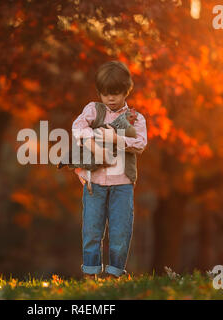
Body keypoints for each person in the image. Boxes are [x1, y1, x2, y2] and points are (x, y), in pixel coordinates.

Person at [71, 61, 148, 280]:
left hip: (122, 183)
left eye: (116, 93)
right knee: (92, 230)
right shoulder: (93, 110)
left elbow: (141, 143)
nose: (110, 99)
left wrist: (116, 138)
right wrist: (94, 142)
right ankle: (90, 274)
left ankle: (115, 274)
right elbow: (77, 128)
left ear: (126, 91)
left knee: (120, 232)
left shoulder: (136, 118)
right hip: (94, 182)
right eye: (105, 94)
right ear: (99, 93)